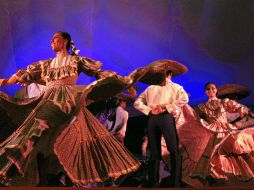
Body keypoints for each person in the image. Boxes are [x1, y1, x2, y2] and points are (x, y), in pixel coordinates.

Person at [0, 31, 141, 186]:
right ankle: (38, 179)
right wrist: (3, 82)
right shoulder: (45, 64)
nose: (52, 41)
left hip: (69, 101)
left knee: (74, 139)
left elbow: (99, 73)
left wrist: (125, 82)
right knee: (39, 136)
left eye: (55, 38)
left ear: (65, 41)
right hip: (48, 100)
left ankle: (70, 181)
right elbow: (23, 75)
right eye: (51, 40)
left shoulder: (76, 61)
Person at [134, 59, 189, 187]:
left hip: (152, 120)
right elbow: (185, 98)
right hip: (165, 118)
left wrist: (150, 110)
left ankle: (153, 183)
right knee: (173, 151)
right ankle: (175, 184)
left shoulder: (150, 88)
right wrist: (166, 108)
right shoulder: (175, 87)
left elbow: (137, 103)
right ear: (170, 74)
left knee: (154, 153)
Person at [190, 82, 254, 186]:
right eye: (208, 89)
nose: (211, 91)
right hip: (211, 131)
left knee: (235, 148)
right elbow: (194, 117)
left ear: (216, 90)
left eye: (213, 88)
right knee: (212, 153)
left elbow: (236, 107)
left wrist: (243, 110)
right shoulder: (202, 106)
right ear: (205, 92)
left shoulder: (223, 102)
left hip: (225, 129)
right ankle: (216, 176)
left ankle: (237, 172)